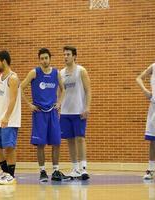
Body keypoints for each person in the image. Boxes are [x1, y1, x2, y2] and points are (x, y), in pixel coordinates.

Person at [21, 48, 69, 182]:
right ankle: (42, 171)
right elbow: (20, 87)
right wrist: (29, 104)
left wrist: (59, 102)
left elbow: (63, 89)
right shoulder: (34, 73)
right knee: (40, 144)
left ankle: (55, 171)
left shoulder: (56, 73)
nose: (44, 60)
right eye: (42, 58)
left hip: (53, 112)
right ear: (39, 60)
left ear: (50, 58)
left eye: (46, 58)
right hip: (39, 113)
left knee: (56, 142)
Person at [0, 50, 21, 185]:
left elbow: (12, 100)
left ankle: (11, 175)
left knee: (9, 147)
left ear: (4, 61)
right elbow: (0, 97)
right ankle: (5, 172)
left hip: (9, 120)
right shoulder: (0, 77)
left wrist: (6, 117)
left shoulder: (13, 78)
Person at [59, 46, 91, 180]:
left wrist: (87, 107)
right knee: (70, 140)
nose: (66, 56)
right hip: (65, 112)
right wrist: (58, 107)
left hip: (79, 111)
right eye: (64, 54)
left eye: (68, 54)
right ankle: (75, 168)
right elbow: (60, 92)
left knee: (80, 138)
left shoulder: (81, 71)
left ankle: (83, 169)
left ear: (74, 56)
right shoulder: (61, 73)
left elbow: (88, 90)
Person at [136, 63, 155, 180]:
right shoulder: (153, 66)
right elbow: (138, 78)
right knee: (153, 141)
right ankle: (151, 169)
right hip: (154, 106)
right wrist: (145, 90)